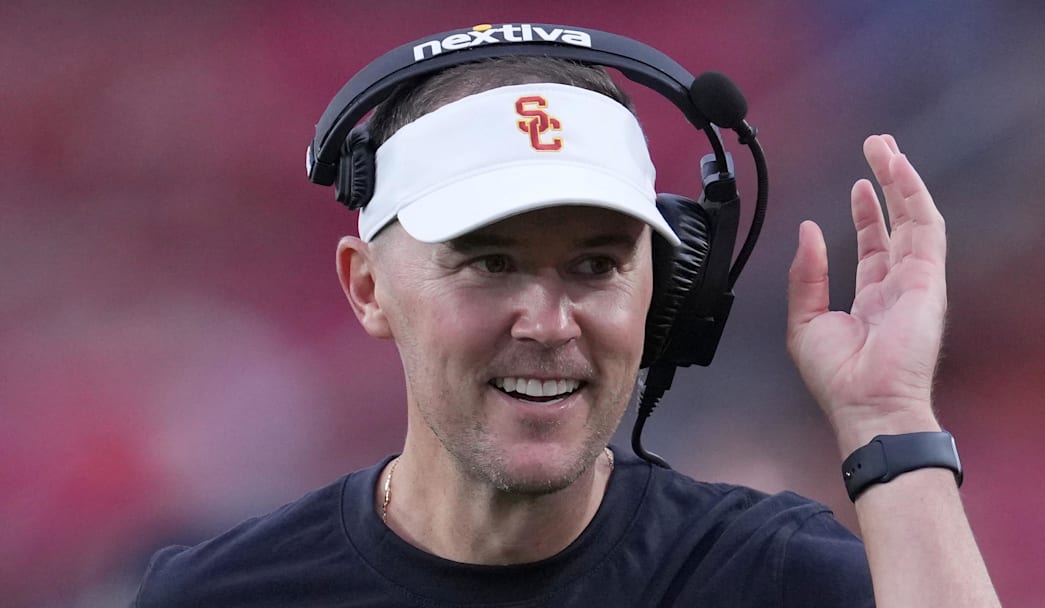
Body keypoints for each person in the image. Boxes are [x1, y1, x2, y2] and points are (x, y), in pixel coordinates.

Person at [134, 55, 1000, 606]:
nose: (549, 324)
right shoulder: (219, 594)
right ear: (368, 289)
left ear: (665, 290)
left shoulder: (768, 577)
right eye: (490, 263)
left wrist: (889, 420)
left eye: (595, 267)